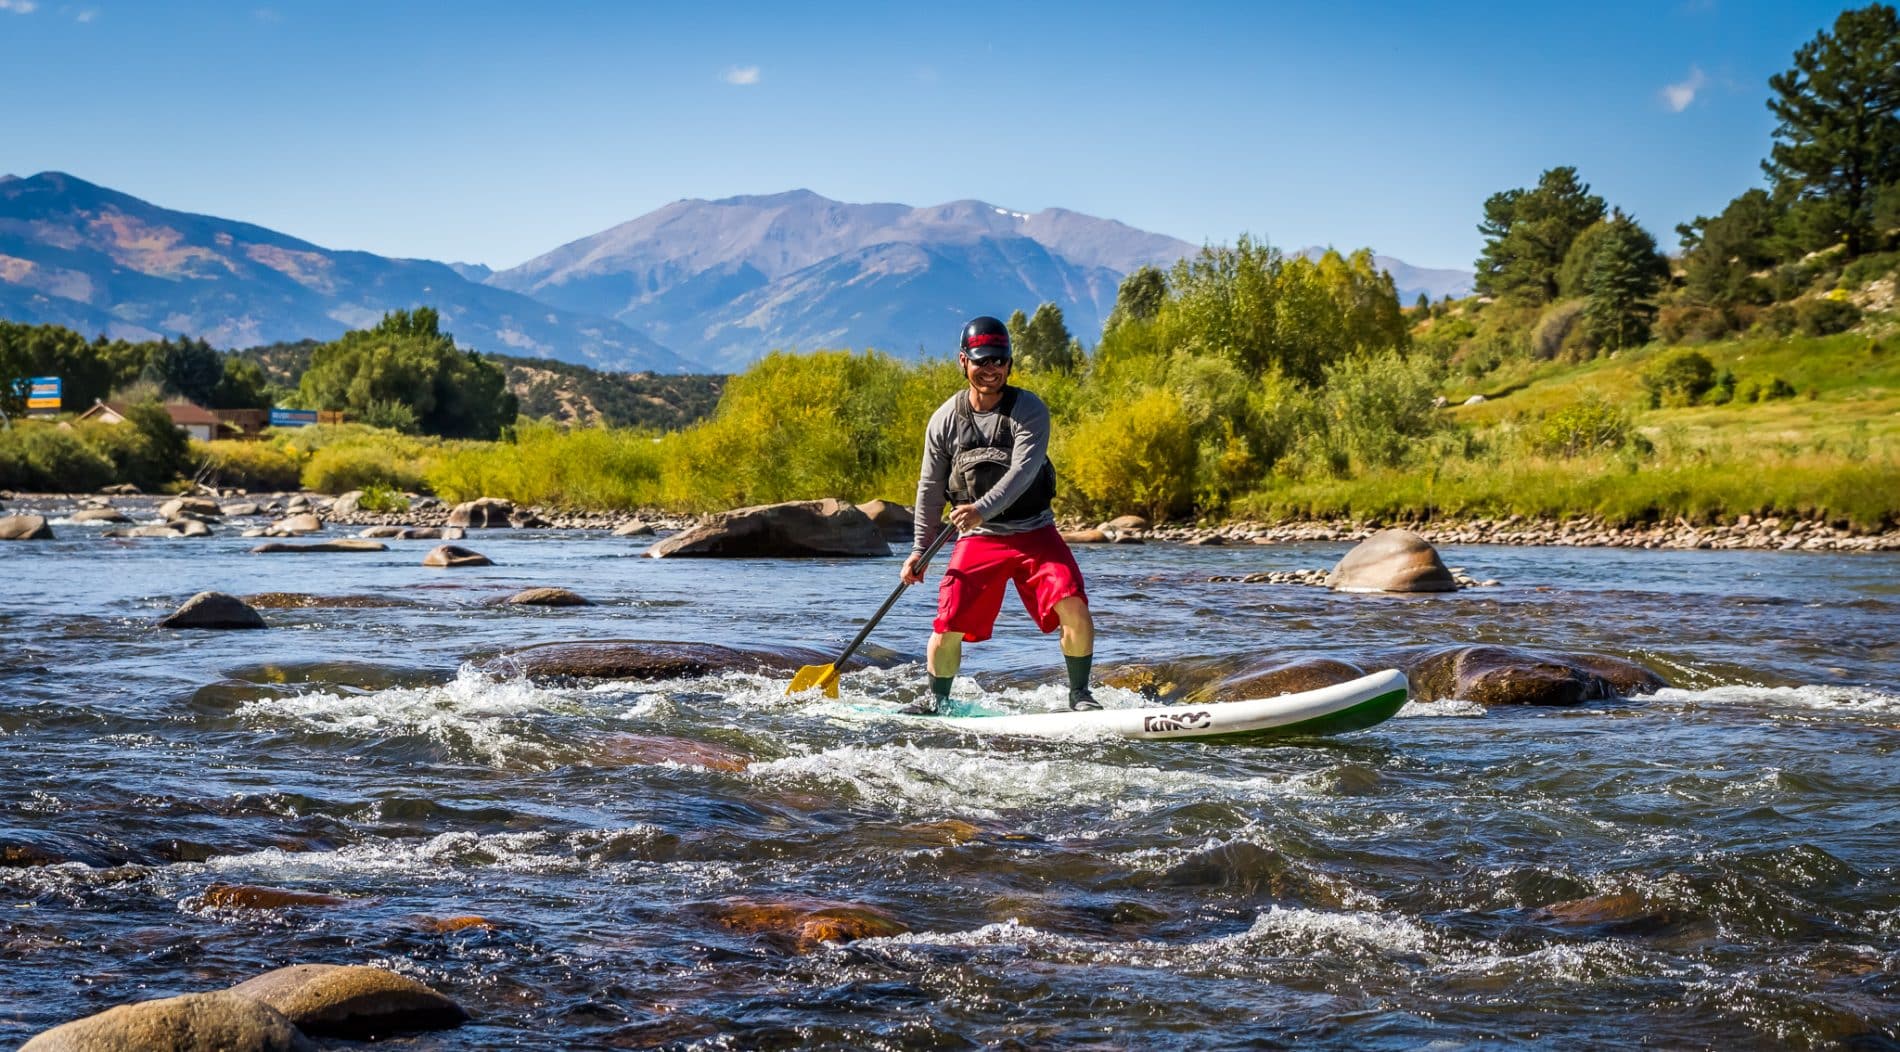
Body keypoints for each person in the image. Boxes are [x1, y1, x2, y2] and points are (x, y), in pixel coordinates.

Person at [899, 315, 1097, 715]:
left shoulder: (1030, 410)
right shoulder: (945, 420)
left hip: (1034, 533)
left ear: (1009, 363)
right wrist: (920, 549)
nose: (991, 369)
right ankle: (936, 702)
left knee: (1072, 602)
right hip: (979, 538)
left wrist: (981, 508)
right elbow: (929, 489)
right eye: (981, 360)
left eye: (999, 360)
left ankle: (1080, 696)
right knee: (948, 621)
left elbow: (1023, 473)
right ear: (963, 362)